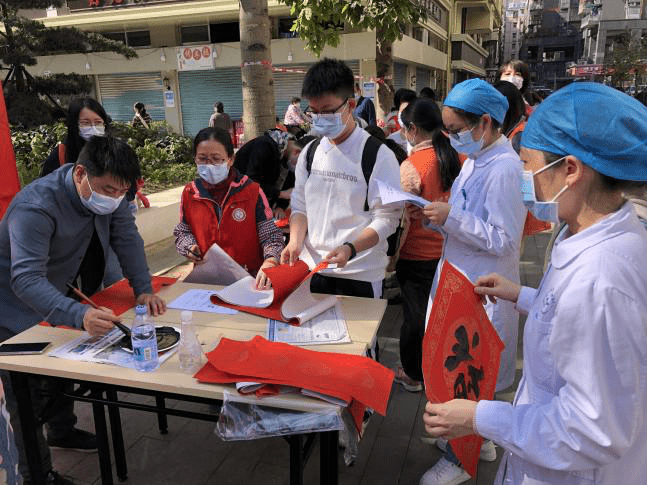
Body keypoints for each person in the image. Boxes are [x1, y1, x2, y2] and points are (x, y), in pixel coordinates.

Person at [422, 82, 647, 485]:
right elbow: (568, 313)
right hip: (541, 447)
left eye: (528, 164)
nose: (524, 176)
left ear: (571, 170)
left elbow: (592, 429)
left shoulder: (603, 278)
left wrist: (480, 416)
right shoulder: (587, 235)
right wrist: (522, 294)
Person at [0, 135, 166, 485]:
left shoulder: (112, 193)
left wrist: (143, 289)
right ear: (80, 174)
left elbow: (127, 237)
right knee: (24, 391)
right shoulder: (36, 206)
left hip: (54, 292)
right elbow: (25, 278)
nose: (114, 198)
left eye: (121, 192)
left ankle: (61, 430)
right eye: (107, 189)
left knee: (59, 372)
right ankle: (37, 474)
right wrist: (78, 315)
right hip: (10, 304)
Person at [417, 79, 526, 485]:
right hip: (460, 279)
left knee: (469, 372)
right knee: (463, 370)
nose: (451, 137)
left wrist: (452, 218)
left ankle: (460, 458)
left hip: (483, 287)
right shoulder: (477, 161)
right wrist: (444, 217)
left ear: (485, 122)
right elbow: (467, 218)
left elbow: (503, 238)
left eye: (456, 129)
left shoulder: (504, 169)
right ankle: (479, 438)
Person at [281, 58, 401, 299]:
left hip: (359, 273)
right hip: (314, 268)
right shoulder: (310, 152)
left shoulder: (378, 155)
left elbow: (388, 218)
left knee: (361, 337)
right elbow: (300, 205)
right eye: (314, 112)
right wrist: (294, 241)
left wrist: (351, 248)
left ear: (350, 105)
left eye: (328, 111)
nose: (320, 117)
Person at [394, 98, 461, 392]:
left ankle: (413, 373)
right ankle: (439, 367)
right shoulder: (458, 156)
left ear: (412, 129)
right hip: (449, 251)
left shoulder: (411, 165)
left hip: (416, 254)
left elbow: (401, 215)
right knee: (441, 314)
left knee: (415, 317)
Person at [174, 127, 284, 289]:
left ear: (230, 159)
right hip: (207, 282)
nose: (209, 164)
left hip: (249, 280)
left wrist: (270, 261)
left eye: (216, 159)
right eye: (202, 159)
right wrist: (189, 247)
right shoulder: (190, 193)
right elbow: (183, 231)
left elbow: (271, 236)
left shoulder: (251, 191)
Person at [495, 80, 552, 237]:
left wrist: (524, 206)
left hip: (518, 208)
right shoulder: (518, 128)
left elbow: (527, 176)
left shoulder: (519, 134)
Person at [233, 129, 305, 209]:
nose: (297, 167)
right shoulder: (265, 146)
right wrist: (280, 194)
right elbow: (251, 181)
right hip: (238, 199)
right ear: (297, 152)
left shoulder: (286, 155)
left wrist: (280, 206)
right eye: (298, 164)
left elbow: (289, 183)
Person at [40, 97, 109, 177]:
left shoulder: (114, 152)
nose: (93, 128)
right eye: (86, 123)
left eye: (98, 123)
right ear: (74, 125)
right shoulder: (61, 155)